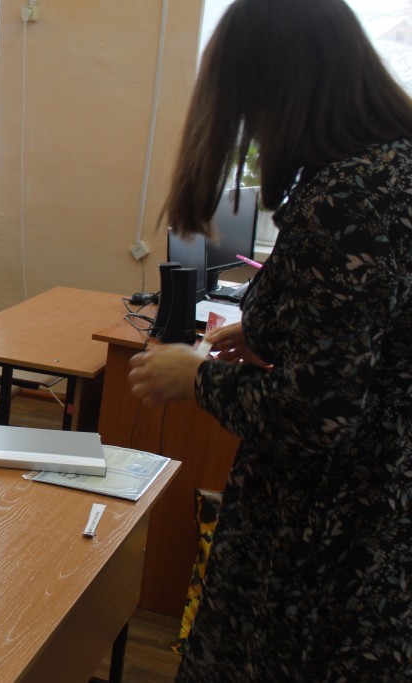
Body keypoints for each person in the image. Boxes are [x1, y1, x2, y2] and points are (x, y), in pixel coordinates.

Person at [126, 1, 412, 680]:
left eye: (249, 110)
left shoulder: (349, 194)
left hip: (328, 538)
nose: (251, 132)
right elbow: (374, 329)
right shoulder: (393, 167)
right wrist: (272, 329)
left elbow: (320, 414)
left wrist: (196, 378)